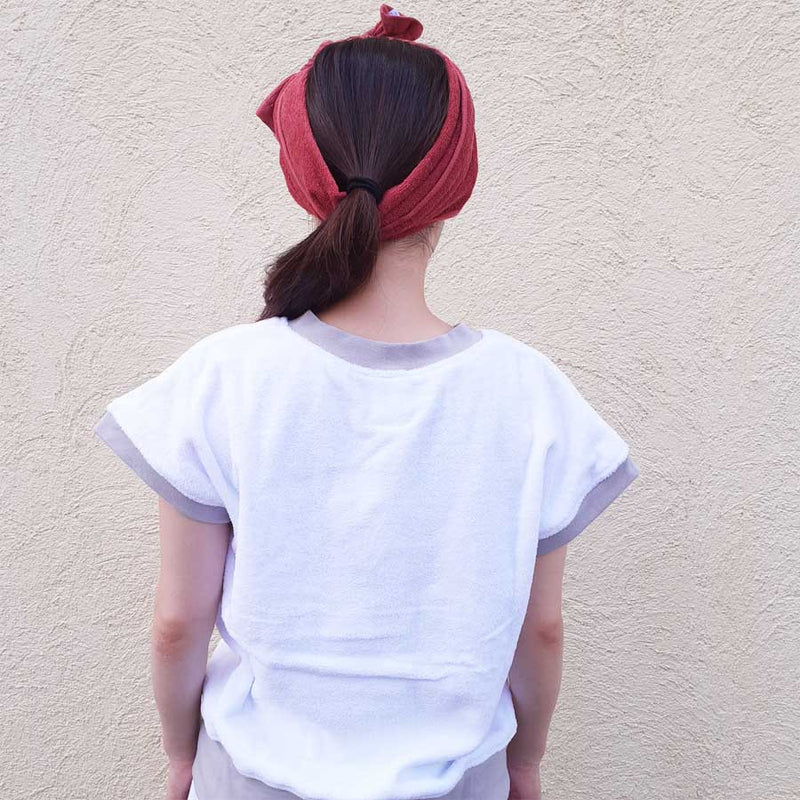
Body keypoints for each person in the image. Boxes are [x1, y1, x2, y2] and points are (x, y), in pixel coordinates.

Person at [92, 5, 640, 800]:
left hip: (251, 778)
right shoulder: (529, 393)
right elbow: (542, 630)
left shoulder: (224, 375)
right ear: (455, 186)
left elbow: (179, 621)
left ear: (305, 178)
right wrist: (524, 764)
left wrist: (181, 754)